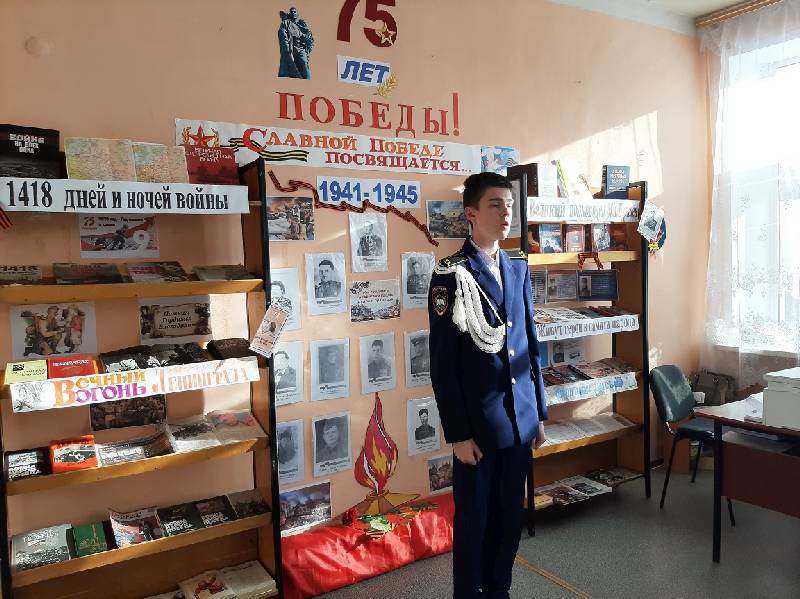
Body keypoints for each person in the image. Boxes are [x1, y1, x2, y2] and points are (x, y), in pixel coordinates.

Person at [428, 171, 548, 599]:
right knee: (475, 522)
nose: (505, 214)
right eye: (495, 205)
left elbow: (530, 344)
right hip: (478, 428)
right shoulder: (451, 273)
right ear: (471, 213)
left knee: (509, 520)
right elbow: (443, 366)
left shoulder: (517, 267)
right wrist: (458, 434)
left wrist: (537, 413)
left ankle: (499, 592)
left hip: (518, 422)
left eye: (509, 205)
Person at [278, 7, 314, 79]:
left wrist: (306, 37)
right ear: (290, 14)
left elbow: (307, 37)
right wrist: (287, 50)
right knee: (292, 66)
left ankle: (308, 81)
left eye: (295, 12)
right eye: (292, 12)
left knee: (304, 63)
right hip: (292, 48)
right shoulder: (286, 23)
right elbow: (284, 37)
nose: (293, 13)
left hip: (301, 49)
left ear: (297, 14)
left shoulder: (300, 25)